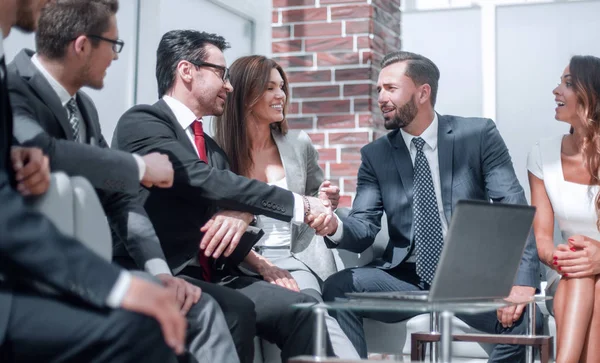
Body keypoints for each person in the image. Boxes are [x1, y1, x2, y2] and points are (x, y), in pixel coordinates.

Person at [6, 1, 239, 362]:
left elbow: (119, 200)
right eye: (113, 44)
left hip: (88, 269)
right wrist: (139, 167)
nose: (116, 57)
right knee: (148, 323)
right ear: (83, 45)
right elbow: (40, 148)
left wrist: (160, 272)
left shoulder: (85, 108)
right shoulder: (13, 89)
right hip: (34, 274)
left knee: (202, 311)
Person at [113, 30, 336, 362]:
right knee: (235, 311)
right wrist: (299, 204)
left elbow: (227, 205)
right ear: (187, 71)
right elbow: (200, 179)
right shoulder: (144, 122)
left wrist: (262, 263)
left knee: (304, 308)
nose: (229, 86)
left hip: (215, 273)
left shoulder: (214, 150)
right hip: (157, 272)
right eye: (221, 73)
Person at [319, 50, 542, 361]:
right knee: (338, 288)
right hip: (405, 279)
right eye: (379, 89)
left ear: (423, 92)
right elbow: (364, 226)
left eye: (391, 88)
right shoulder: (375, 155)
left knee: (527, 322)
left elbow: (513, 206)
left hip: (471, 280)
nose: (381, 97)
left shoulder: (478, 135)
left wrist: (521, 282)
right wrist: (334, 225)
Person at [214, 54, 359, 359]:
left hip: (295, 257)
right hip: (241, 263)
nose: (281, 95)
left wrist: (326, 198)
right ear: (245, 93)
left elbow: (313, 194)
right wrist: (263, 267)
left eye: (281, 87)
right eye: (269, 88)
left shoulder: (298, 143)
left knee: (312, 310)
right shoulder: (218, 151)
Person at [527, 55, 600, 363]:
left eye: (568, 83)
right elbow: (542, 241)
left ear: (592, 95)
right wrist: (568, 259)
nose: (556, 91)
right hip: (568, 270)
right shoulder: (542, 154)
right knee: (583, 278)